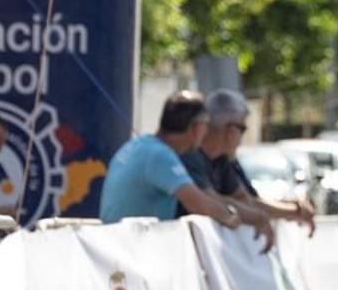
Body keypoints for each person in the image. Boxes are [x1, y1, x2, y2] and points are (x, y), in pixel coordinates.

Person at [182, 89, 317, 252]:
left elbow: (247, 201)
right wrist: (265, 216)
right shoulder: (191, 156)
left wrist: (293, 209)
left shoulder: (221, 159)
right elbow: (209, 201)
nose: (242, 138)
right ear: (231, 130)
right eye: (243, 129)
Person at [100, 90, 246, 231]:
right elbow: (198, 203)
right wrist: (231, 217)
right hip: (133, 248)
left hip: (119, 244)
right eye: (207, 126)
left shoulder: (138, 145)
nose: (207, 132)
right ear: (196, 128)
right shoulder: (160, 155)